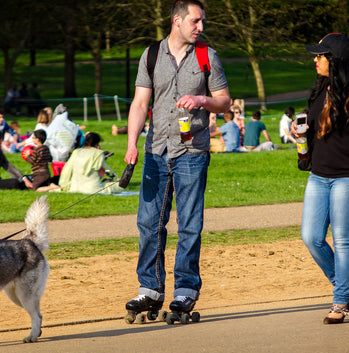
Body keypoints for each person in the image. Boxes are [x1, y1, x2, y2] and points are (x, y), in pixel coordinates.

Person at [124, 0, 230, 317]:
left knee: (189, 225)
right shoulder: (152, 55)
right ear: (177, 21)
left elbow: (224, 102)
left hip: (193, 152)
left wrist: (201, 100)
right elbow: (140, 103)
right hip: (156, 151)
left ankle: (184, 290)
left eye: (203, 22)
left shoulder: (207, 56)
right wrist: (132, 144)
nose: (201, 27)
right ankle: (150, 289)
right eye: (196, 21)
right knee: (148, 223)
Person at [297, 33, 349, 324]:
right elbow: (315, 124)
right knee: (311, 237)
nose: (315, 60)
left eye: (320, 55)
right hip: (318, 176)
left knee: (342, 240)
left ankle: (341, 301)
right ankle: (343, 282)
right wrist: (301, 132)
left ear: (334, 61)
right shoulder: (320, 89)